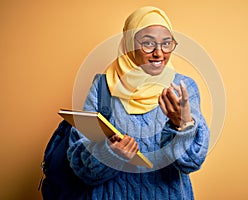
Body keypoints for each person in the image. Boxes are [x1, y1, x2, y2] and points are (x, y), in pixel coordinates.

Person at [67, 6, 210, 199]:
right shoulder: (103, 87)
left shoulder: (183, 88)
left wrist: (182, 126)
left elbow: (192, 162)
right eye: (148, 43)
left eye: (166, 43)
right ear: (128, 44)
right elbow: (80, 166)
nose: (159, 53)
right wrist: (110, 153)